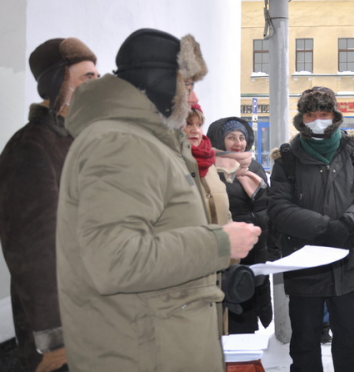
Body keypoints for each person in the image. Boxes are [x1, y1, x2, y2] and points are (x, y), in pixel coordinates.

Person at [56, 29, 261, 371]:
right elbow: (115, 260)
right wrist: (219, 244)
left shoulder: (145, 139)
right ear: (159, 80)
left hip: (160, 342)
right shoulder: (121, 143)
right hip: (143, 352)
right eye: (187, 84)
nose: (191, 96)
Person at [0, 38, 98, 372]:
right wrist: (55, 342)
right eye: (87, 77)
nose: (96, 85)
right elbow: (32, 254)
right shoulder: (31, 147)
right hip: (62, 336)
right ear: (58, 81)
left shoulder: (76, 141)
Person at [267, 86, 354, 372]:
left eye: (324, 113)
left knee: (351, 342)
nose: (318, 119)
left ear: (335, 116)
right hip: (305, 263)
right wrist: (323, 228)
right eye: (311, 114)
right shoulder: (288, 158)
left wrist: (347, 224)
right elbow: (279, 208)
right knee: (304, 343)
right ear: (302, 119)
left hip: (348, 261)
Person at [207, 116, 273, 334]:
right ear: (219, 139)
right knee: (235, 312)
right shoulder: (212, 168)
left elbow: (266, 205)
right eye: (231, 137)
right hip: (231, 253)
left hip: (257, 249)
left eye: (242, 137)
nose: (238, 143)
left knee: (251, 308)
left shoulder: (253, 165)